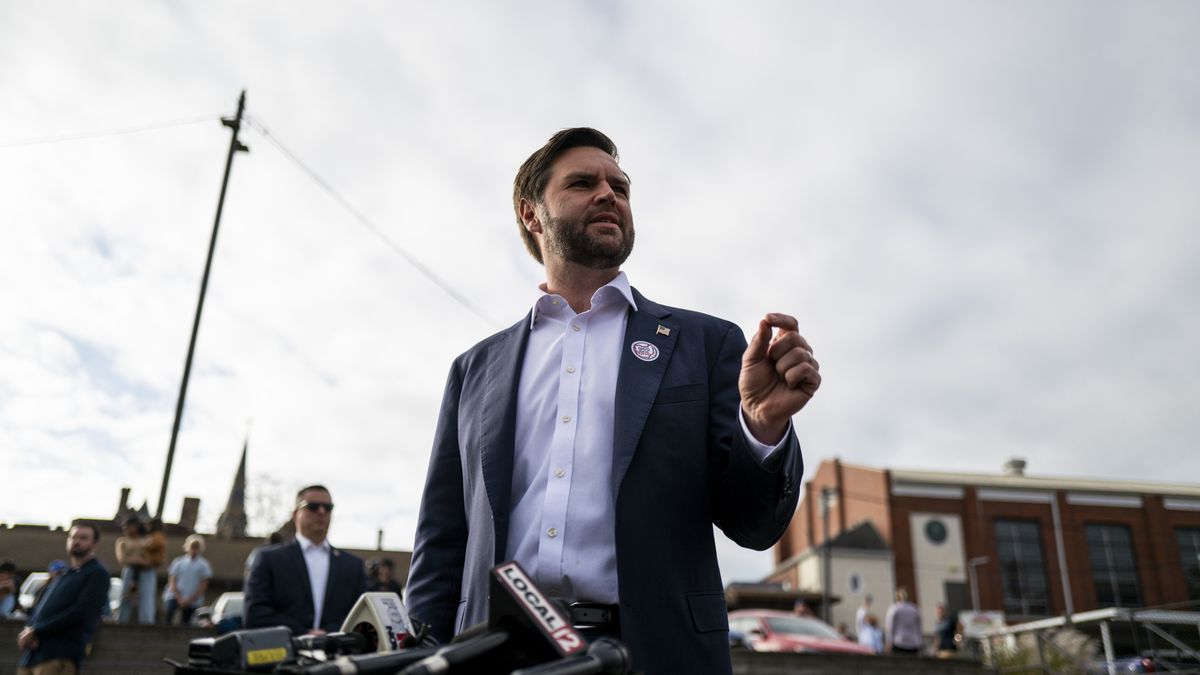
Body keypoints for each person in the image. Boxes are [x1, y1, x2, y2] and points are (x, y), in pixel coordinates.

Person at [406, 128, 820, 675]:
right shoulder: (475, 370)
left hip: (652, 655)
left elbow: (755, 525)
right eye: (583, 183)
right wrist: (425, 648)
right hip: (493, 655)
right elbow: (442, 541)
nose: (609, 195)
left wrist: (762, 427)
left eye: (620, 187)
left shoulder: (706, 344)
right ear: (532, 215)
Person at [244, 485, 368, 635]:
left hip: (338, 653)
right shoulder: (269, 559)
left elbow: (361, 615)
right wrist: (304, 633)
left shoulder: (353, 565)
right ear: (296, 514)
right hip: (285, 653)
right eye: (313, 507)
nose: (321, 511)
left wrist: (329, 634)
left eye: (328, 507)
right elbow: (255, 613)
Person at [17, 523, 110, 675]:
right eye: (73, 537)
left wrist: (36, 631)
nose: (77, 541)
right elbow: (42, 609)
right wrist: (29, 629)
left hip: (59, 656)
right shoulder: (65, 574)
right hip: (33, 655)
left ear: (95, 544)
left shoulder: (97, 574)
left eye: (83, 538)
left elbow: (81, 612)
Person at [162, 534, 213, 626]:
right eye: (192, 547)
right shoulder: (178, 562)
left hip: (193, 599)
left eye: (196, 547)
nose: (194, 550)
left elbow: (203, 585)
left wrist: (190, 600)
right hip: (176, 596)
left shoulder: (204, 565)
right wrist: (179, 598)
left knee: (186, 622)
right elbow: (172, 581)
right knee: (169, 615)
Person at [115, 516, 155, 624]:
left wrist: (136, 560)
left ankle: (147, 622)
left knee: (146, 598)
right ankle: (121, 621)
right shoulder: (122, 542)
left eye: (128, 527)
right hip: (130, 571)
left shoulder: (148, 540)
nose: (125, 530)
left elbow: (152, 559)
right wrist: (139, 560)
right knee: (125, 597)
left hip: (146, 572)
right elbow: (123, 559)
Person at [885, 587, 923, 656]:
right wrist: (920, 641)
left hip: (899, 642)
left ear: (897, 597)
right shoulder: (915, 609)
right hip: (913, 643)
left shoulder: (894, 608)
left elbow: (890, 627)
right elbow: (919, 628)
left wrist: (888, 642)